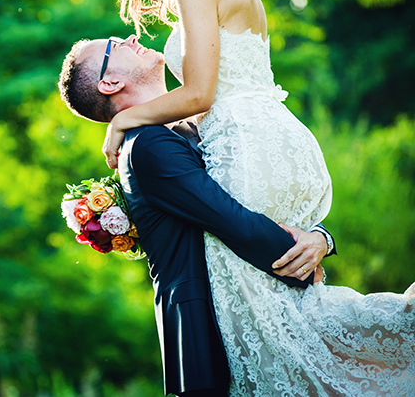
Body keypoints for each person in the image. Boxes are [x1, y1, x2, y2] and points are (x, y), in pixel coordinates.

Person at [58, 35, 415, 396]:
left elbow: (256, 202)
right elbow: (230, 219)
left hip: (261, 310)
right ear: (109, 83)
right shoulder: (146, 146)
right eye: (117, 44)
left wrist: (320, 238)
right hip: (210, 335)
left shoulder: (186, 128)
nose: (131, 37)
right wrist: (303, 262)